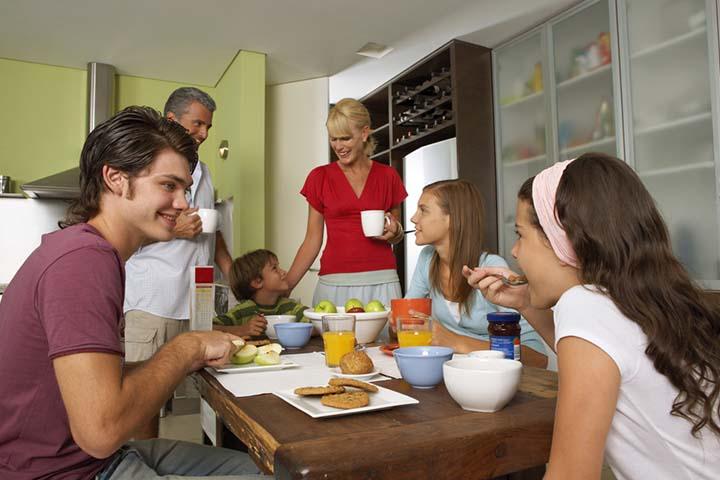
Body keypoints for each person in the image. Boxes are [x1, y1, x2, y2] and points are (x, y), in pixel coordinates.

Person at [0, 106, 267, 479]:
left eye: (185, 189)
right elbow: (100, 431)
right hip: (64, 470)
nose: (184, 203)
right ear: (115, 179)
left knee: (265, 468)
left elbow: (100, 386)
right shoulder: (82, 263)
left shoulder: (93, 254)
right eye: (168, 185)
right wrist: (186, 347)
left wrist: (191, 353)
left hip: (90, 457)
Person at [464, 153, 720, 479]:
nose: (514, 252)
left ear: (564, 240)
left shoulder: (584, 305)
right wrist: (526, 302)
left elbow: (570, 474)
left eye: (520, 234)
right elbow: (610, 357)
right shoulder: (640, 299)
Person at [123, 87, 233, 438]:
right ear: (172, 120)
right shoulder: (143, 165)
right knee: (143, 404)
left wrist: (233, 275)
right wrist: (172, 229)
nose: (203, 133)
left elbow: (211, 230)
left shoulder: (205, 171)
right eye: (197, 124)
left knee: (207, 393)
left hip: (196, 303)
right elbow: (123, 231)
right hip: (153, 303)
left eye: (208, 127)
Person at [403, 179, 546, 368]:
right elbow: (408, 317)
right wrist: (399, 321)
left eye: (423, 210)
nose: (413, 218)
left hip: (494, 379)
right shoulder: (427, 259)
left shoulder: (491, 269)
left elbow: (537, 357)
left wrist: (455, 341)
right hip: (453, 373)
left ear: (452, 219)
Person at [286, 98, 407, 309]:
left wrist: (395, 231)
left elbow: (395, 233)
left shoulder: (388, 176)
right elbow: (312, 240)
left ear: (364, 133)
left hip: (382, 279)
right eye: (333, 139)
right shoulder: (319, 177)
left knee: (385, 343)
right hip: (335, 282)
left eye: (345, 138)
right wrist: (287, 286)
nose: (338, 146)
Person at [213, 249, 309, 337]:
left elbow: (315, 322)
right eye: (275, 268)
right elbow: (211, 328)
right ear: (257, 282)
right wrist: (242, 330)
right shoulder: (242, 312)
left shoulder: (289, 306)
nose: (284, 272)